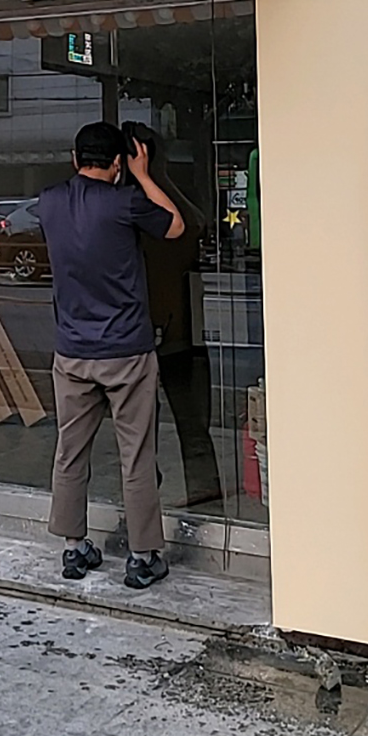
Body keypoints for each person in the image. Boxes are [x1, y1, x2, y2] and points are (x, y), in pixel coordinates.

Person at [37, 121, 185, 589]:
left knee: (70, 452)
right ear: (118, 163)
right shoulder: (126, 203)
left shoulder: (49, 202)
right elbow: (176, 225)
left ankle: (73, 547)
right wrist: (143, 175)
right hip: (126, 352)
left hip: (72, 352)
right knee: (136, 456)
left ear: (75, 159)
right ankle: (142, 556)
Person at [133, 124, 223, 509]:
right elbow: (196, 224)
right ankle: (199, 496)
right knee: (185, 426)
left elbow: (192, 225)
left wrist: (152, 178)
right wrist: (157, 176)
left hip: (162, 334)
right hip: (173, 332)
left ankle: (144, 506)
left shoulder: (141, 204)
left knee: (143, 432)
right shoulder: (139, 204)